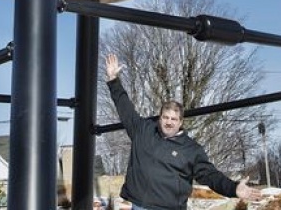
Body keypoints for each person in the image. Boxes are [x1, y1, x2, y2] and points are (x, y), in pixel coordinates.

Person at [105, 54, 262, 210]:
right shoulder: (143, 130)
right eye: (165, 117)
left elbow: (210, 175)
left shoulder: (191, 149)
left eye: (174, 119)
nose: (169, 122)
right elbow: (124, 107)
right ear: (159, 118)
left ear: (180, 122)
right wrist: (113, 80)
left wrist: (233, 188)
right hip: (139, 205)